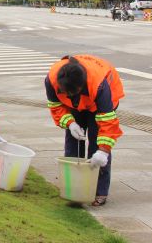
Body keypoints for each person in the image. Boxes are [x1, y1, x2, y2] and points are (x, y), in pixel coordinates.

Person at [45, 54, 124, 206]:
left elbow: (108, 124)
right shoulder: (52, 79)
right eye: (65, 92)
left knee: (96, 142)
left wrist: (103, 151)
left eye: (71, 93)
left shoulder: (99, 85)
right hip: (76, 104)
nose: (67, 95)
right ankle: (72, 187)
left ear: (81, 87)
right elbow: (56, 106)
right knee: (72, 140)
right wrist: (70, 124)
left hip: (102, 103)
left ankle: (99, 191)